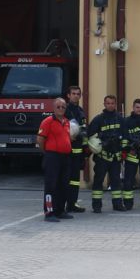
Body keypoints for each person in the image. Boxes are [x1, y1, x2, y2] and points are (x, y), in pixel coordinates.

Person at [37, 97, 73, 221]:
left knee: (63, 184)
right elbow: (40, 140)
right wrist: (47, 152)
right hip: (52, 157)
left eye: (63, 107)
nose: (61, 109)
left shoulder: (67, 122)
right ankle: (49, 213)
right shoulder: (47, 121)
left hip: (65, 157)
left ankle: (60, 210)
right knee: (51, 185)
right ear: (53, 108)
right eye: (58, 106)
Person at [86, 95, 124, 212]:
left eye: (112, 103)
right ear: (104, 104)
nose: (110, 105)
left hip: (115, 158)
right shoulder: (98, 119)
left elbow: (125, 134)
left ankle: (117, 205)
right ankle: (97, 206)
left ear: (115, 104)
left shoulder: (120, 118)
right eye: (108, 103)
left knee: (116, 182)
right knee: (98, 181)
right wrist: (101, 140)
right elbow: (90, 136)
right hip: (102, 157)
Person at [64, 85, 88, 213]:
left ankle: (72, 203)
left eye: (78, 94)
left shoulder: (80, 111)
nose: (76, 95)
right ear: (68, 95)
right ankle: (63, 203)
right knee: (65, 178)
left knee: (75, 180)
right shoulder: (64, 109)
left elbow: (84, 131)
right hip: (67, 150)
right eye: (73, 93)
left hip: (78, 151)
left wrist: (85, 151)